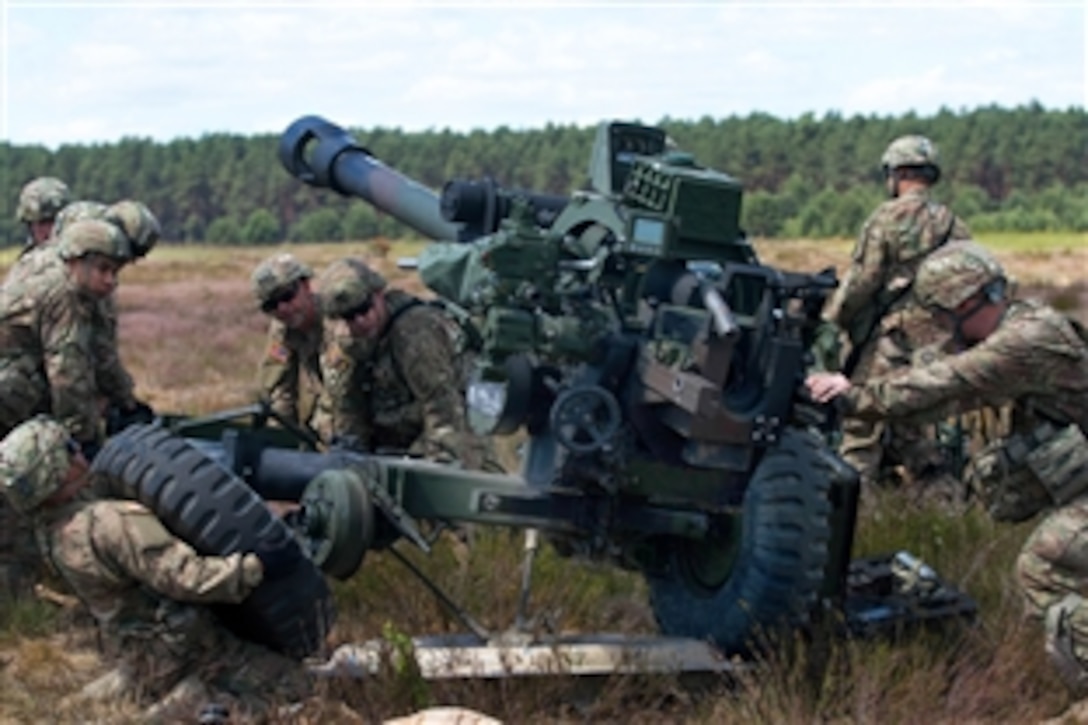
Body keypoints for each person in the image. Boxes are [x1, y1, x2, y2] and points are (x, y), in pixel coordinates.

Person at [806, 240, 1088, 706]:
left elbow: (946, 383)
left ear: (967, 303)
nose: (940, 329)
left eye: (941, 316)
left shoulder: (1029, 341)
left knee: (1045, 564)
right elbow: (943, 382)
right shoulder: (1020, 330)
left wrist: (850, 395)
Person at [0, 415, 313, 722]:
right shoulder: (113, 522)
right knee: (301, 685)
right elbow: (186, 578)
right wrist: (255, 567)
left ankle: (125, 689)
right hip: (187, 651)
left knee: (89, 697)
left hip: (132, 653)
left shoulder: (50, 534)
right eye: (68, 448)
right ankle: (195, 698)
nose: (78, 450)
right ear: (55, 471)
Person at [818, 134, 972, 499]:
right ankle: (945, 518)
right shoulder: (953, 224)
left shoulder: (886, 219)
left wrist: (832, 320)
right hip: (939, 345)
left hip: (891, 342)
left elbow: (863, 281)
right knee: (919, 435)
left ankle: (855, 524)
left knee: (861, 432)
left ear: (897, 173)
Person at [315, 257, 491, 469]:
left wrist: (434, 466)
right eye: (349, 317)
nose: (360, 322)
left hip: (454, 438)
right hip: (392, 443)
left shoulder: (414, 332)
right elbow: (350, 410)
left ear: (378, 295)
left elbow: (443, 408)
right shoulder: (350, 343)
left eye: (364, 310)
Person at [250, 253, 327, 438]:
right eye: (271, 305)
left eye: (287, 296)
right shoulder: (283, 329)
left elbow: (346, 393)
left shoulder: (337, 321)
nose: (282, 309)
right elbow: (277, 388)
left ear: (306, 286)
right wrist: (281, 438)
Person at [14, 176, 71, 251]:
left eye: (50, 221)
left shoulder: (85, 257)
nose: (42, 230)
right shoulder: (29, 260)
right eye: (33, 223)